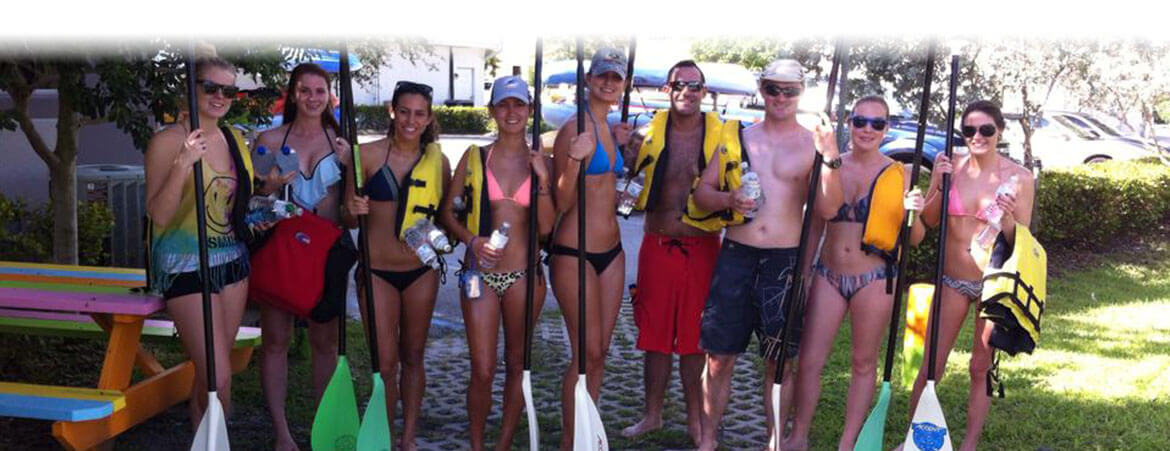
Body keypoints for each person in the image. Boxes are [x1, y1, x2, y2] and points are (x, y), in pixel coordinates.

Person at [691, 59, 844, 451]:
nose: (780, 97)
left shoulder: (813, 143)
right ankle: (708, 440)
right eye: (773, 88)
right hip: (736, 255)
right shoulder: (737, 137)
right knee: (719, 357)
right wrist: (728, 199)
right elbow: (702, 194)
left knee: (779, 361)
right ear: (762, 90)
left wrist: (829, 155)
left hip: (783, 261)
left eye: (789, 90)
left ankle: (774, 442)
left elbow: (829, 208)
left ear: (801, 93)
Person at [784, 95, 927, 450]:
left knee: (863, 363)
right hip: (828, 275)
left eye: (877, 123)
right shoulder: (829, 164)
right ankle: (798, 435)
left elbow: (915, 238)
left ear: (886, 129)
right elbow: (814, 225)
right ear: (848, 123)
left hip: (875, 279)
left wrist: (913, 211)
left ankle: (849, 442)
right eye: (860, 121)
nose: (867, 129)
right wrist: (803, 273)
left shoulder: (900, 174)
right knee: (810, 360)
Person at [145, 55, 277, 430]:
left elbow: (234, 206)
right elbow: (158, 215)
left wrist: (263, 205)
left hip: (232, 263)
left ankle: (210, 441)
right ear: (191, 88)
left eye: (229, 91)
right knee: (218, 375)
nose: (220, 96)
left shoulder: (233, 138)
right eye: (211, 87)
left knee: (213, 378)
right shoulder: (168, 141)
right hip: (185, 264)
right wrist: (182, 164)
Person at [899, 100, 1034, 451]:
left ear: (999, 131)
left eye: (986, 129)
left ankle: (969, 445)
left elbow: (1021, 239)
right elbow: (928, 221)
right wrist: (937, 185)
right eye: (969, 130)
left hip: (994, 284)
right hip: (952, 280)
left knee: (980, 367)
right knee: (931, 365)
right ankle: (913, 439)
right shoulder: (951, 166)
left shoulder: (1020, 178)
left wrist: (1007, 218)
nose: (978, 136)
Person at [439, 75, 556, 451]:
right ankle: (477, 445)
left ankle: (503, 443)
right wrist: (472, 240)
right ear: (492, 110)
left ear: (530, 110)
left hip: (525, 276)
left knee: (518, 364)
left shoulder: (542, 162)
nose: (511, 112)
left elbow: (547, 227)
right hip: (479, 276)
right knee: (483, 368)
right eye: (503, 105)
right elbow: (448, 213)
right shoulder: (475, 157)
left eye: (518, 104)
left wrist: (542, 180)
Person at [618, 60, 723, 446]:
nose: (687, 92)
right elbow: (626, 182)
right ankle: (652, 414)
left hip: (704, 247)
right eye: (679, 85)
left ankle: (696, 420)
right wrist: (622, 147)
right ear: (667, 89)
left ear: (704, 91)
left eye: (695, 86)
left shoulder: (724, 135)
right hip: (658, 244)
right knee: (654, 337)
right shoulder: (644, 132)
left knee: (695, 340)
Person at [343, 80, 451, 451]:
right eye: (404, 111)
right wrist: (351, 209)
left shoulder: (439, 162)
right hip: (376, 272)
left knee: (413, 356)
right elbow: (347, 218)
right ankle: (385, 436)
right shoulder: (365, 155)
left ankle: (409, 438)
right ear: (392, 110)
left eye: (419, 114)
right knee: (385, 364)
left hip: (420, 272)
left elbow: (447, 216)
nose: (410, 120)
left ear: (429, 118)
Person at [253, 62, 353, 451]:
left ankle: (322, 429)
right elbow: (254, 203)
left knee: (324, 343)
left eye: (320, 91)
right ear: (293, 94)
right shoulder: (269, 140)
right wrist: (269, 188)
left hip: (326, 255)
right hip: (283, 251)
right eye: (304, 90)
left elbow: (351, 210)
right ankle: (282, 433)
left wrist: (350, 168)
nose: (312, 98)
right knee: (275, 340)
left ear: (330, 96)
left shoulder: (343, 144)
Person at [549, 47, 634, 449]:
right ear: (588, 79)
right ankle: (570, 442)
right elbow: (561, 201)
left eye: (616, 77)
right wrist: (573, 160)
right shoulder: (575, 129)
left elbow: (607, 191)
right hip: (574, 252)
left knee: (599, 352)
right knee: (584, 354)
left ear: (624, 84)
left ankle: (589, 437)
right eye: (602, 76)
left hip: (612, 253)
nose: (608, 83)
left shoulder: (612, 127)